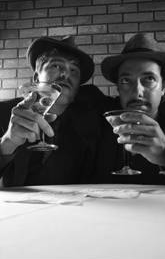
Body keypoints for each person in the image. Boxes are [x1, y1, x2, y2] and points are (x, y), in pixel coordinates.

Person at [0, 35, 110, 186]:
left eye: (74, 70)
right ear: (36, 78)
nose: (65, 75)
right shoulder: (5, 113)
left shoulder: (92, 122)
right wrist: (7, 143)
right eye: (56, 66)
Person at [98, 32, 165, 185]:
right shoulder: (100, 119)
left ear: (164, 87)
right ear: (118, 88)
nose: (137, 91)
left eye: (149, 79)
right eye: (126, 80)